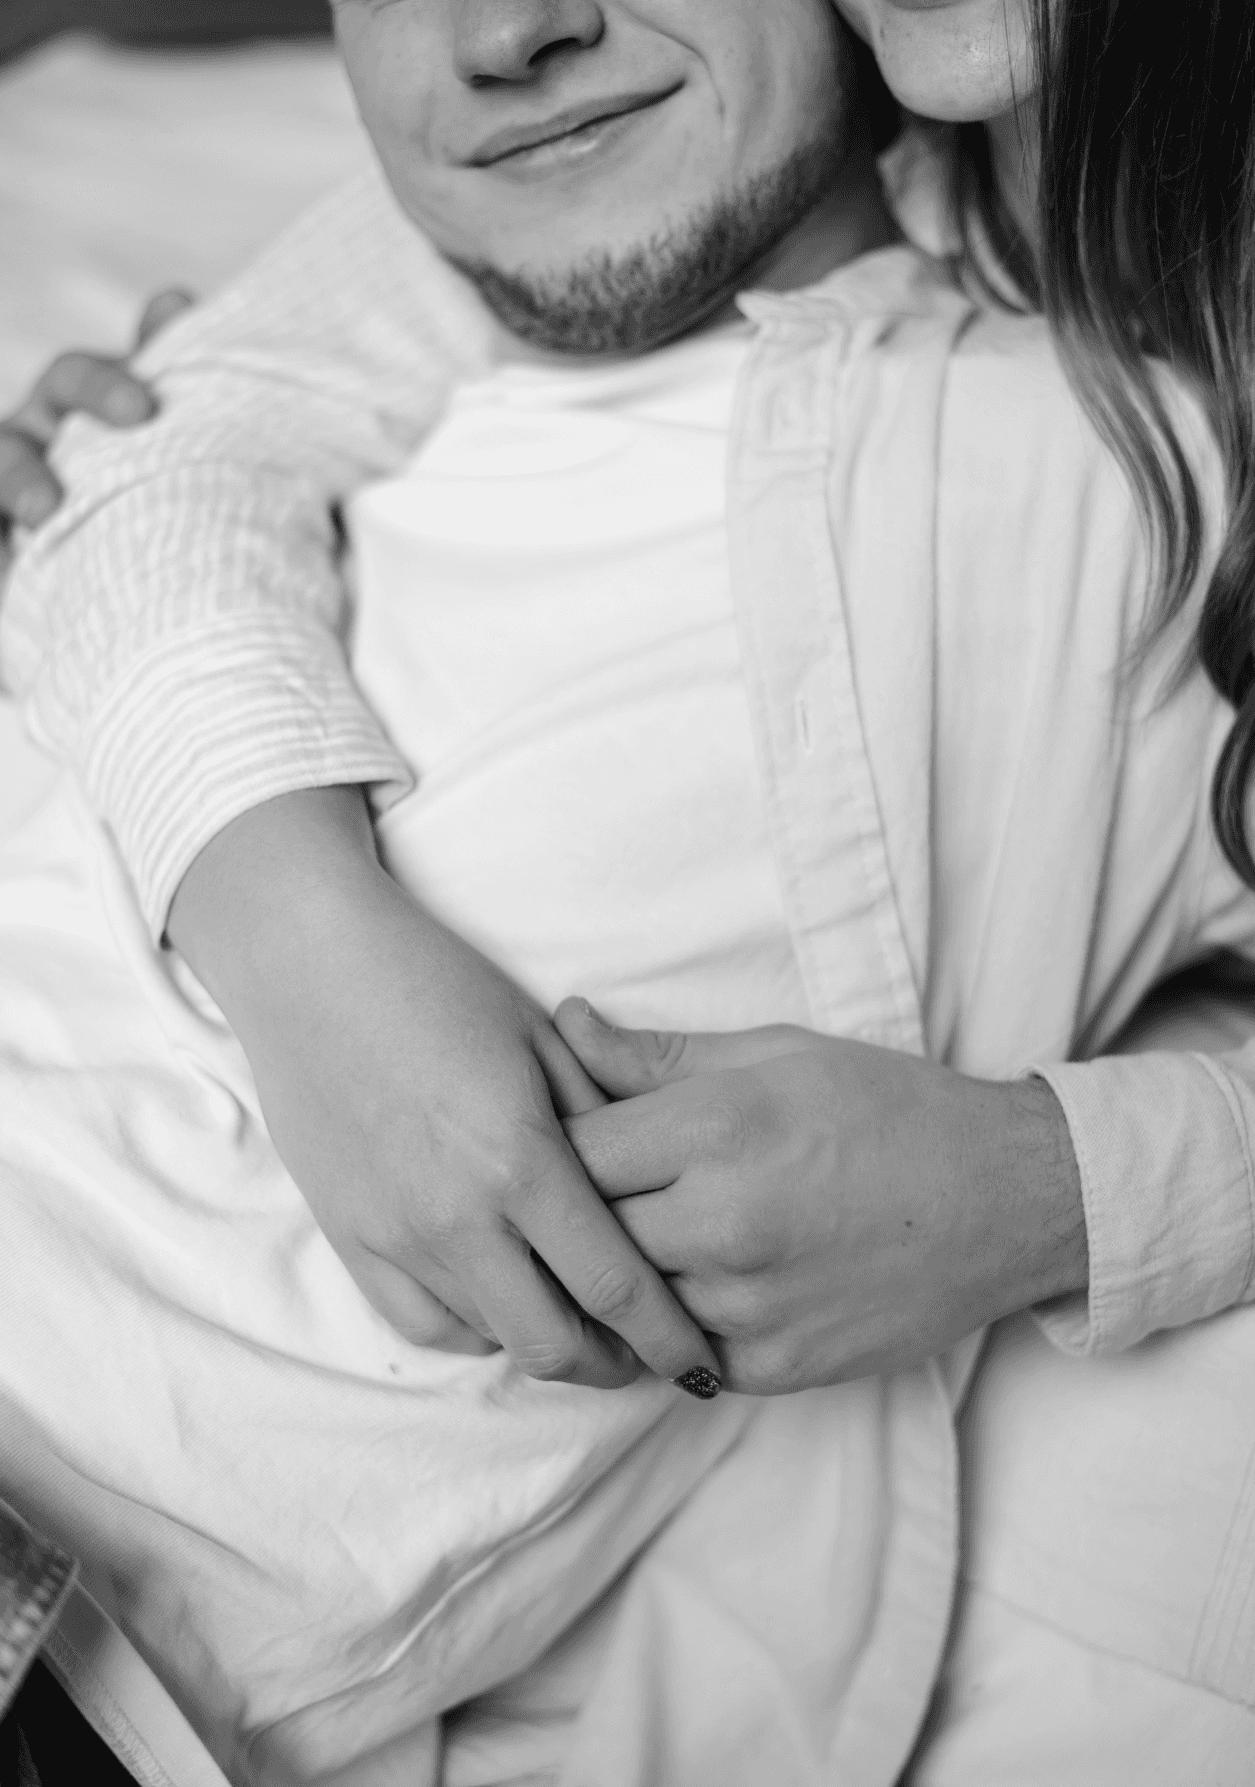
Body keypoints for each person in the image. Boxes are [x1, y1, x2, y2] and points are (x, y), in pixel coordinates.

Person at [0, 0, 1252, 1780]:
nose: (505, 34)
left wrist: (1040, 1187)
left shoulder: (1153, 488)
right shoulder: (510, 215)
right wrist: (304, 942)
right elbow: (158, 459)